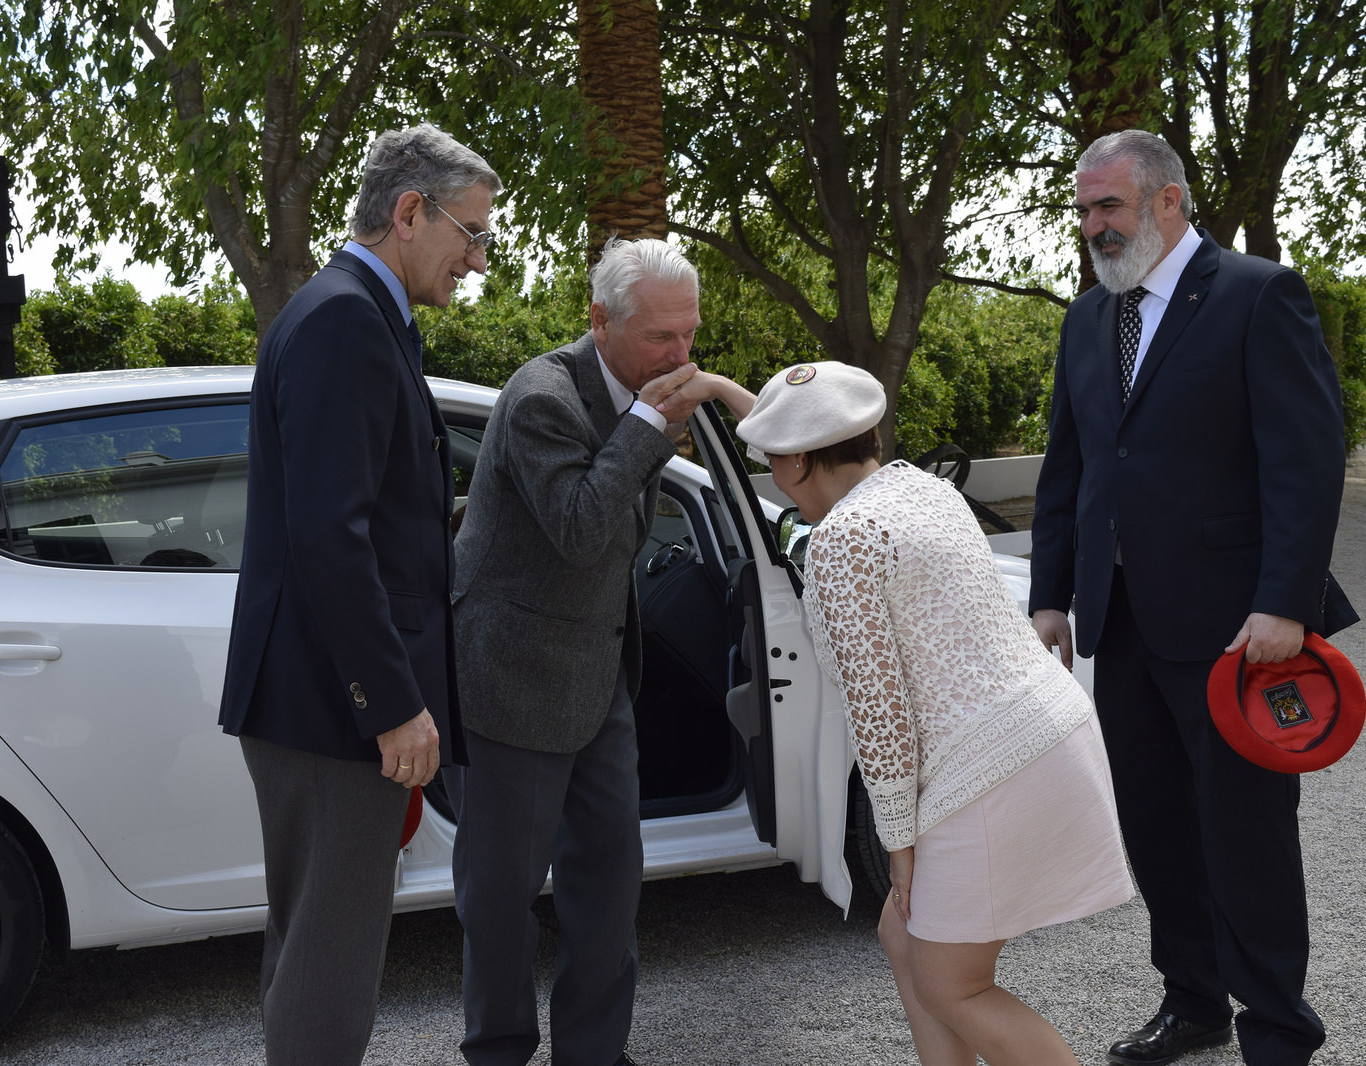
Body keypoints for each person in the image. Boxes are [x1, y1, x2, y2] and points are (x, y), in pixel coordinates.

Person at [1029, 130, 1355, 1066]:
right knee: (1157, 826)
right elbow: (1072, 468)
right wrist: (1052, 595)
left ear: (1168, 202)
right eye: (1084, 209)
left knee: (1246, 833)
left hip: (1236, 629)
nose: (1092, 226)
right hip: (1121, 621)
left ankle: (1280, 1029)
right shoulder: (1089, 317)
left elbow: (1306, 459)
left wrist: (1285, 599)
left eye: (1109, 207)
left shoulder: (1257, 294)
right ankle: (1194, 1003)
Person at [718, 360, 1133, 1066]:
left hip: (992, 768)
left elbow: (879, 716)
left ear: (791, 466)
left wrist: (897, 845)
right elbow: (804, 420)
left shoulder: (842, 541)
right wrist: (722, 391)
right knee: (902, 937)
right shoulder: (920, 487)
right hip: (1047, 731)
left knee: (954, 986)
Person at [218, 124, 500, 1066]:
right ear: (409, 212)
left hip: (314, 699)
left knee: (312, 949)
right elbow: (330, 540)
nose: (478, 258)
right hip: (336, 707)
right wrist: (390, 706)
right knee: (330, 959)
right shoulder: (344, 318)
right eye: (471, 234)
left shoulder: (352, 312)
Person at [447, 237, 705, 1066]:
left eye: (689, 335)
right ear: (600, 321)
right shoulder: (540, 399)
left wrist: (647, 422)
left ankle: (594, 1053)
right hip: (511, 680)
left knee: (609, 891)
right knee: (498, 897)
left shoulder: (637, 392)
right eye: (662, 337)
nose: (682, 355)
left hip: (598, 681)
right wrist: (649, 427)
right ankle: (498, 1050)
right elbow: (583, 529)